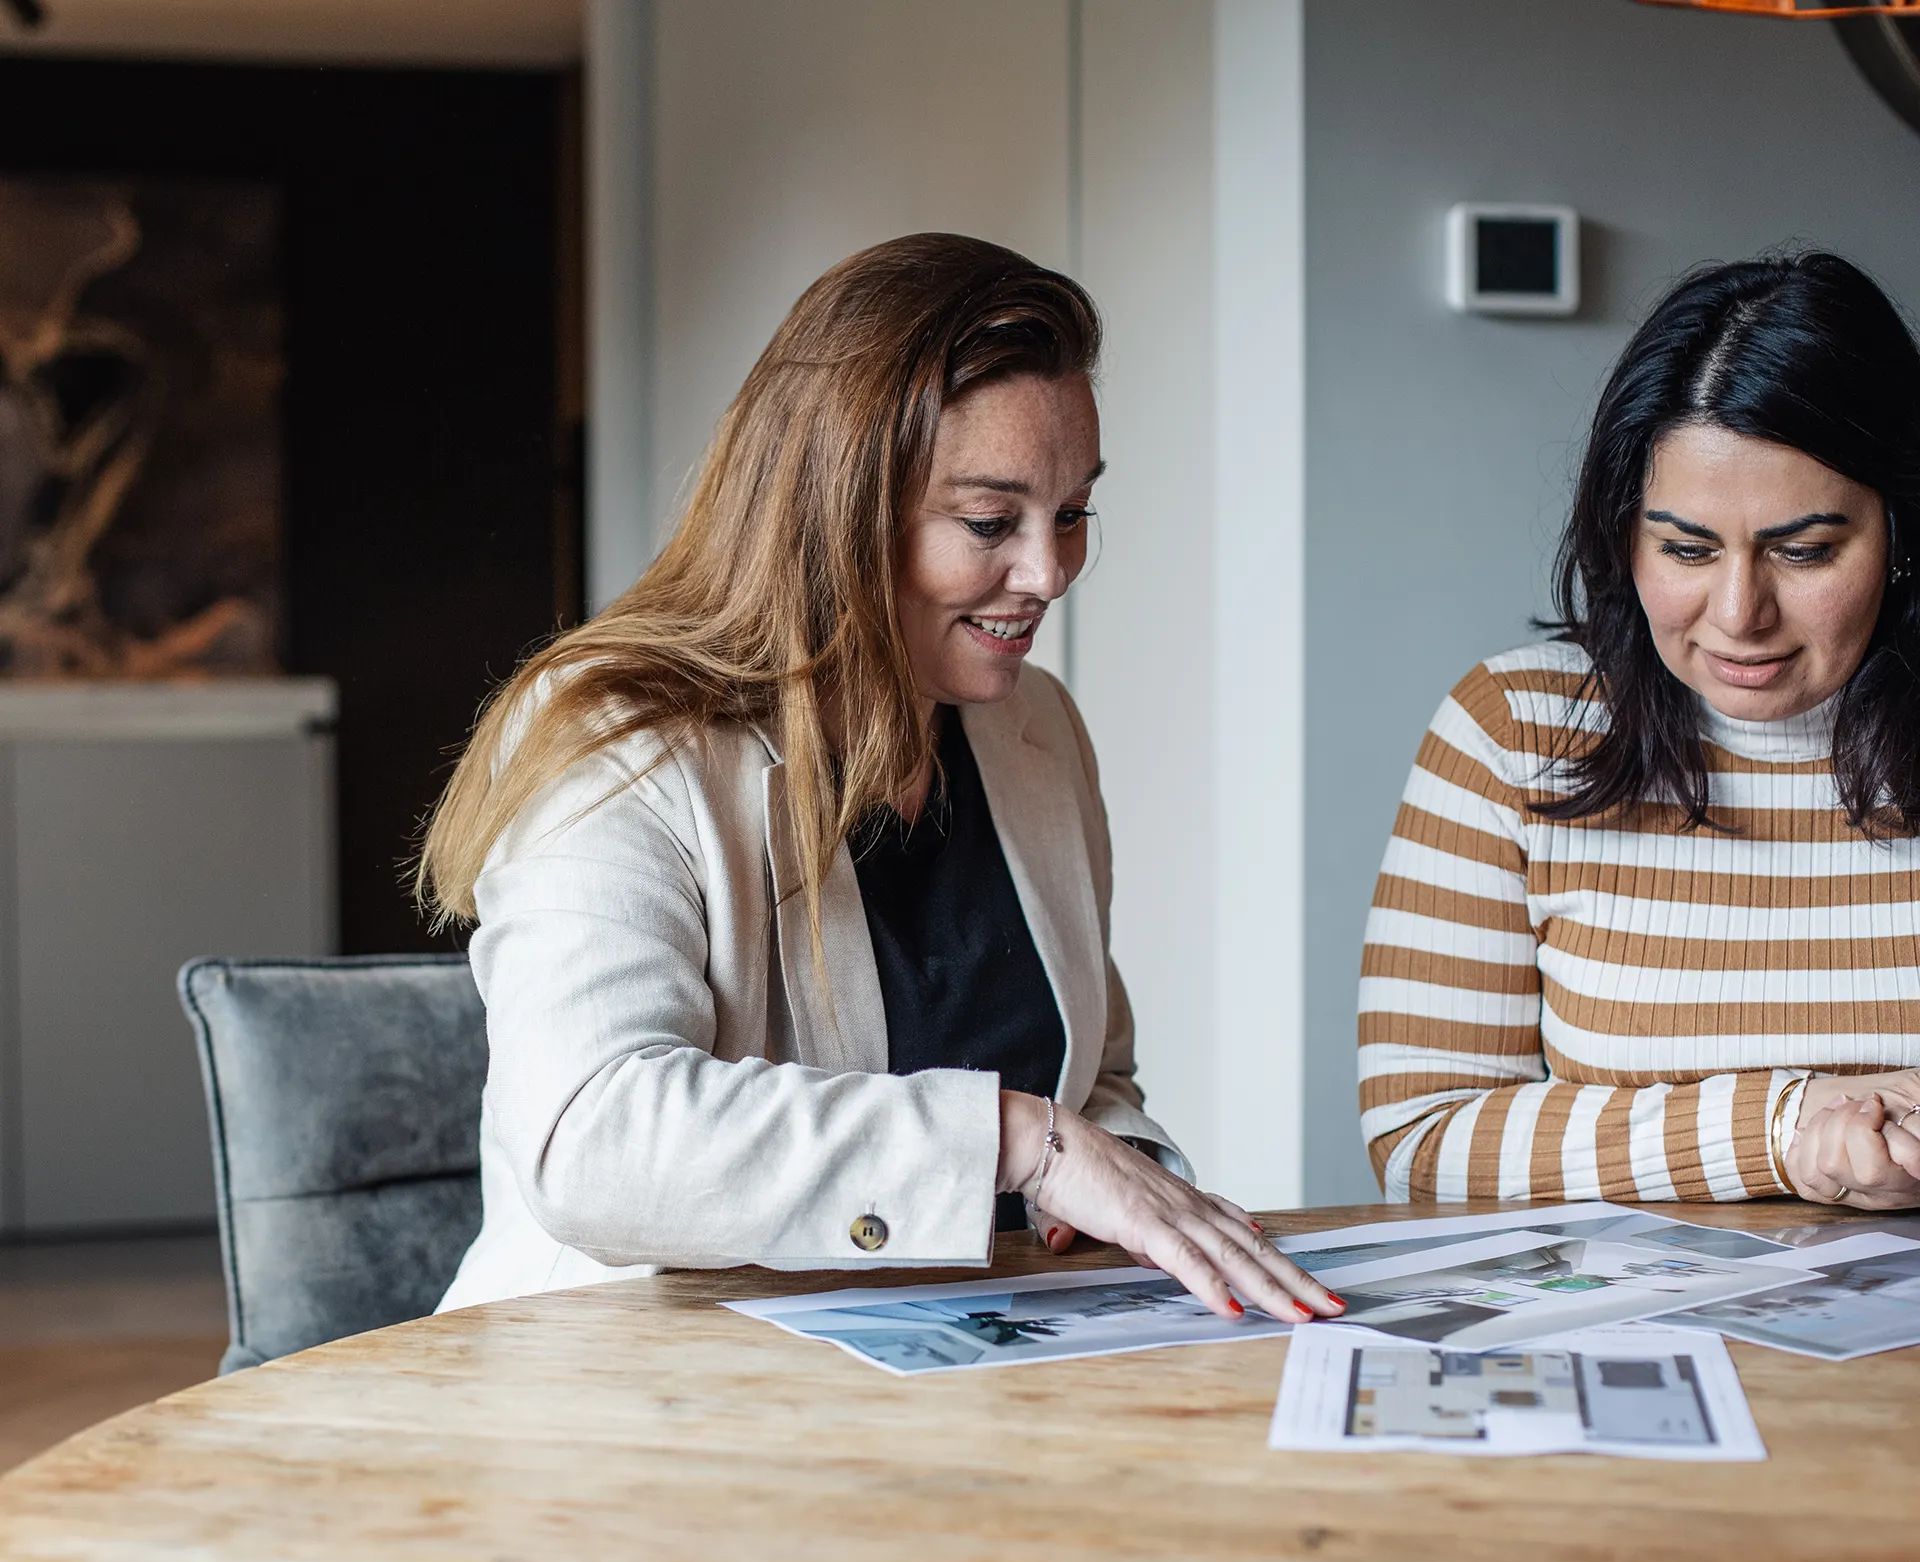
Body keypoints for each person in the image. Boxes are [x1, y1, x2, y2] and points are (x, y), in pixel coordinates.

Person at [422, 233, 1339, 1322]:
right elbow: (593, 1141)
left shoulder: (1038, 732)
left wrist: (1120, 1176)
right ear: (842, 511)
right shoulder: (620, 740)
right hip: (647, 1397)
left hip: (964, 1373)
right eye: (991, 521)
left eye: (1075, 511)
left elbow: (1092, 1081)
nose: (1049, 572)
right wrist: (1016, 1145)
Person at [1360, 250, 1920, 1212]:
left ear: (1902, 534)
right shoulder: (1515, 730)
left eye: (1806, 551)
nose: (1740, 612)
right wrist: (1784, 1131)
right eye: (1686, 548)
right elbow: (1423, 1135)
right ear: (1625, 533)